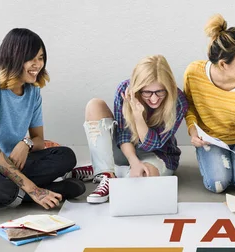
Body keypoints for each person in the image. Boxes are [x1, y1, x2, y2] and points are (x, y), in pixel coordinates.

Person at [0, 28, 84, 216]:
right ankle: (49, 192)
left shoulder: (33, 91)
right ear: (14, 57)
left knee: (66, 156)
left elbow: (38, 139)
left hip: (10, 164)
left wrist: (25, 144)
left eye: (41, 58)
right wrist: (35, 190)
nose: (38, 65)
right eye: (32, 58)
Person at [71, 55, 188, 203]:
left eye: (160, 91)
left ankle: (104, 168)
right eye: (147, 92)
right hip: (126, 149)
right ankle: (107, 173)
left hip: (158, 154)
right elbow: (123, 135)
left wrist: (138, 116)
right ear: (138, 88)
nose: (154, 99)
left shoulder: (178, 101)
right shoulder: (124, 90)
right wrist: (133, 161)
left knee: (140, 181)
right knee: (94, 105)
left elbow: (153, 144)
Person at [184, 14, 235, 205]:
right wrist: (192, 129)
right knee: (218, 184)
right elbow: (189, 107)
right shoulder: (194, 73)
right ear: (223, 64)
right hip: (212, 138)